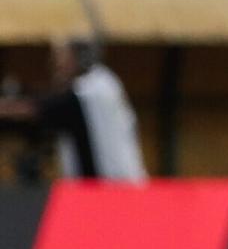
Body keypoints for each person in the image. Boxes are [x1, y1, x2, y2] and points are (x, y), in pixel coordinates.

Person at [0, 38, 147, 181]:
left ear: (79, 57)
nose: (55, 63)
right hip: (117, 181)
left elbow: (35, 108)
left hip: (109, 185)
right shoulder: (105, 82)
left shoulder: (89, 92)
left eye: (62, 56)